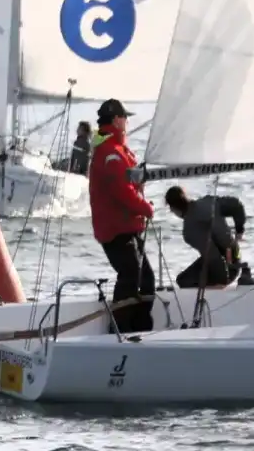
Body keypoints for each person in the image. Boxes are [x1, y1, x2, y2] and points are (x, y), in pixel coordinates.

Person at [89, 98, 155, 334]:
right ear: (117, 120)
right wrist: (145, 207)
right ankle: (119, 330)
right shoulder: (111, 153)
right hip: (116, 229)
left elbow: (128, 181)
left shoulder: (116, 150)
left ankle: (141, 328)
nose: (127, 121)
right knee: (130, 275)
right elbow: (121, 190)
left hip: (127, 226)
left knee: (145, 279)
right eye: (125, 117)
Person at [164, 185, 249, 288]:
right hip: (236, 254)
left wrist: (222, 281)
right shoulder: (208, 201)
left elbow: (213, 257)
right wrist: (239, 230)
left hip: (228, 268)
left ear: (173, 208)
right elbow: (236, 205)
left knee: (183, 280)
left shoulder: (189, 231)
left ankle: (215, 289)